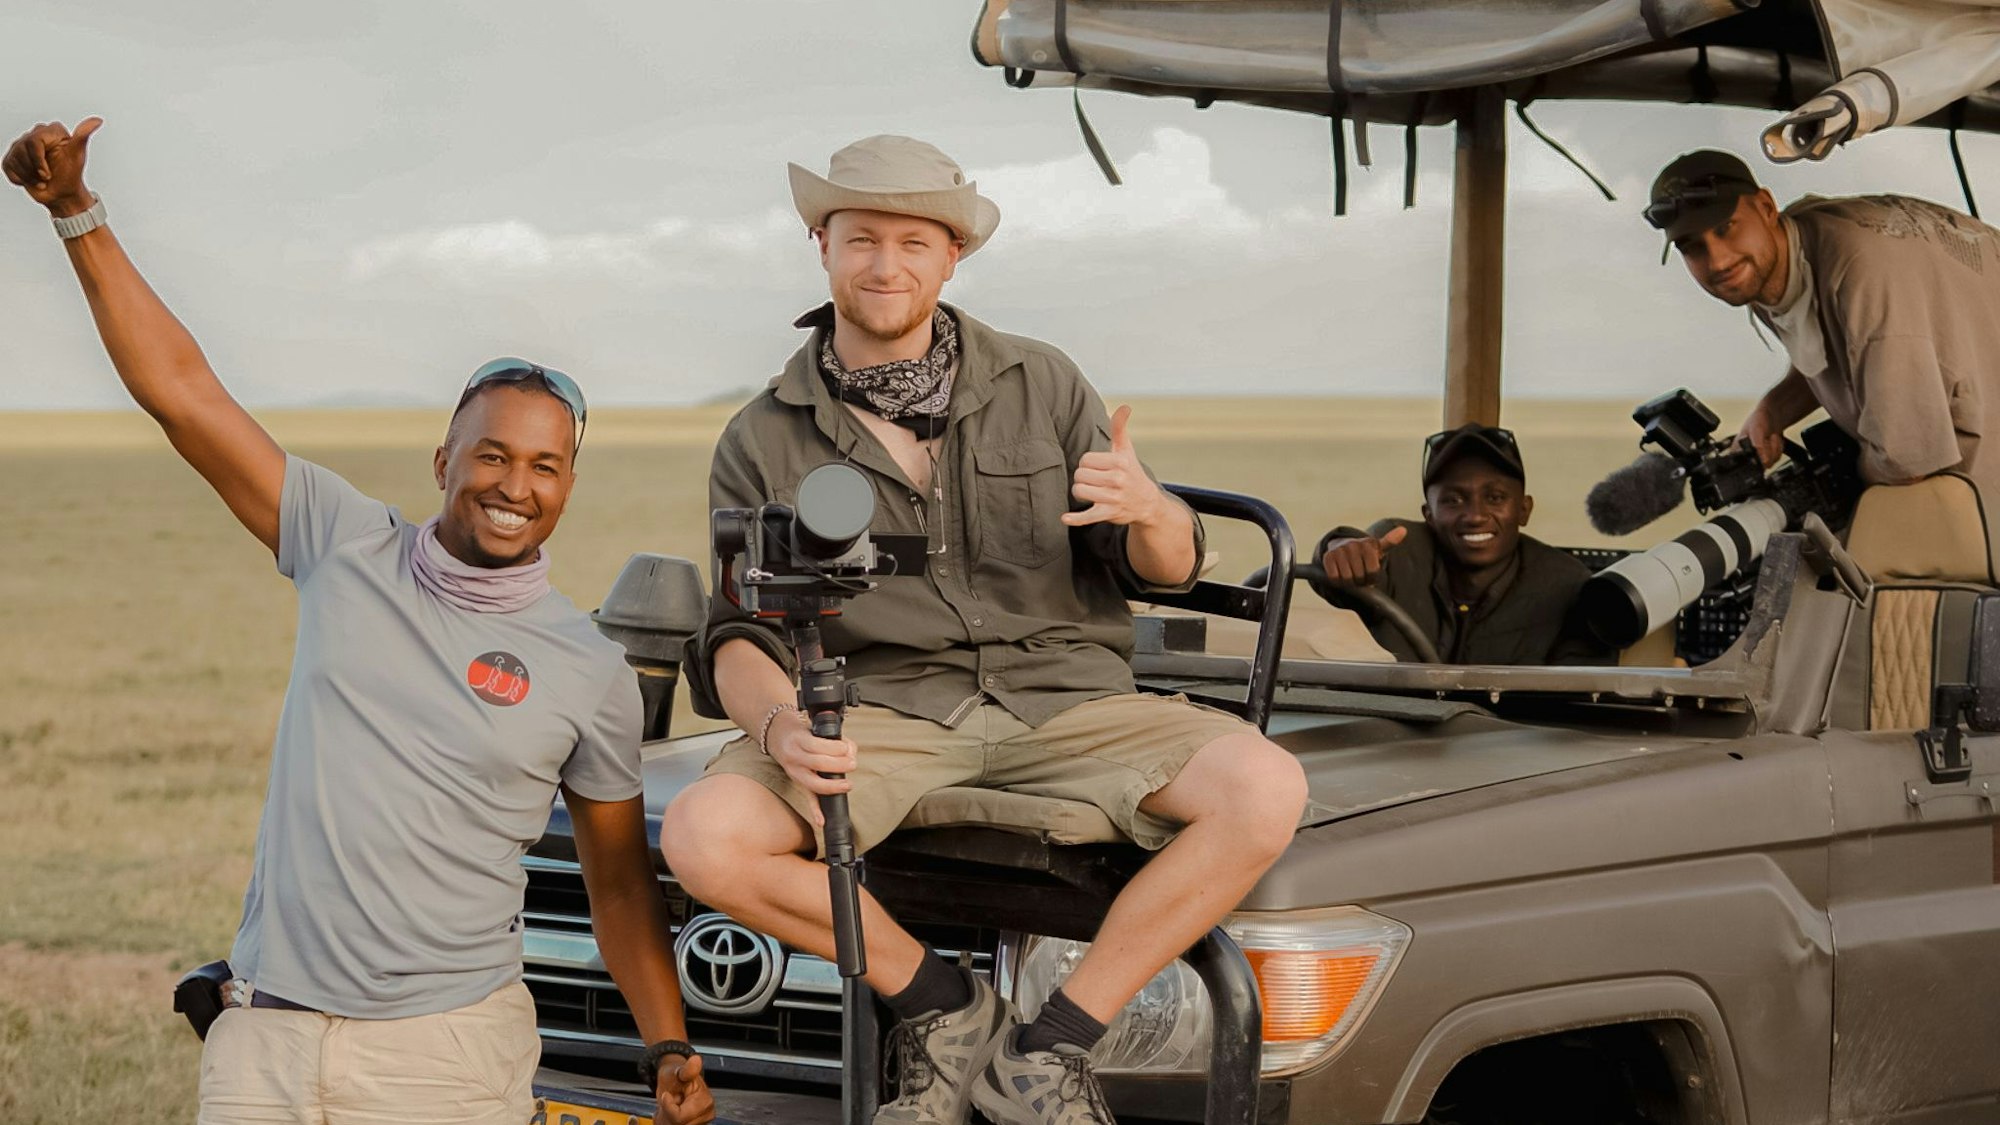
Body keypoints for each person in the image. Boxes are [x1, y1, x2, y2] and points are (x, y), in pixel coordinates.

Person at [3, 117, 714, 1125]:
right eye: (492, 455)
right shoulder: (343, 544)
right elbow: (186, 396)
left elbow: (616, 887)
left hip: (446, 1056)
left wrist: (667, 1042)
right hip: (266, 1039)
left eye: (545, 465)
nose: (515, 485)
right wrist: (77, 213)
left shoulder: (583, 667)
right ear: (442, 461)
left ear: (569, 486)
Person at [659, 135, 1308, 1125]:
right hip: (884, 711)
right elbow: (737, 632)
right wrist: (777, 728)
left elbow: (1160, 566)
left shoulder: (1041, 384)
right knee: (706, 837)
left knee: (1263, 787)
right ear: (818, 244)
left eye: (913, 242)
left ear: (951, 255)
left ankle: (1047, 1051)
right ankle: (942, 1009)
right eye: (861, 239)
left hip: (1068, 702)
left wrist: (1152, 509)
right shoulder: (762, 434)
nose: (886, 266)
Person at [1646, 148, 2000, 500]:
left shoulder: (1863, 273)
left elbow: (1905, 460)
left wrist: (1826, 488)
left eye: (1726, 228)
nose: (1718, 260)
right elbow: (1845, 348)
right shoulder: (1777, 265)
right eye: (1692, 247)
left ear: (1766, 208)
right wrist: (1773, 411)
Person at [1310, 423, 1614, 665]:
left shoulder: (1568, 585)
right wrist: (1338, 547)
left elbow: (1576, 715)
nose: (1475, 516)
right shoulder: (1400, 550)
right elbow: (1352, 567)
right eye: (1453, 500)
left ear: (1524, 509)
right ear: (1428, 515)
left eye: (1495, 498)